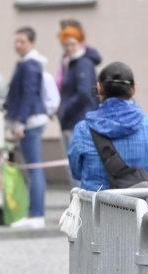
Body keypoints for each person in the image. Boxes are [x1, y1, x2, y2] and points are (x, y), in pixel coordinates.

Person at [68, 62, 148, 192]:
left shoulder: (83, 130)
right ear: (133, 90)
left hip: (97, 209)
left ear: (99, 89)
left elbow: (76, 172)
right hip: (143, 208)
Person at [4, 26, 58, 230]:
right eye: (16, 41)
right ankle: (34, 213)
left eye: (22, 41)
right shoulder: (28, 63)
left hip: (30, 122)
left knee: (34, 168)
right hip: (31, 120)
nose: (18, 45)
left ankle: (36, 214)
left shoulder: (30, 64)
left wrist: (20, 122)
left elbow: (28, 95)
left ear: (32, 43)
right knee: (33, 167)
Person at [57, 23, 101, 188]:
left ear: (81, 44)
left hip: (78, 119)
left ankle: (80, 203)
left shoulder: (82, 64)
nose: (69, 48)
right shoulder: (69, 63)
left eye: (73, 44)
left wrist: (64, 110)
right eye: (66, 44)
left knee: (76, 165)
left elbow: (85, 93)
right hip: (72, 119)